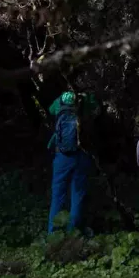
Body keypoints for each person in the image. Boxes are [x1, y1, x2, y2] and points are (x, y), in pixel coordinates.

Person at [47, 90, 97, 234]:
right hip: (81, 154)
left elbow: (51, 110)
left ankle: (53, 234)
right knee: (78, 194)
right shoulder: (85, 98)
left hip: (61, 155)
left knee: (57, 195)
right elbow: (96, 107)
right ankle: (73, 233)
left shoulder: (60, 99)